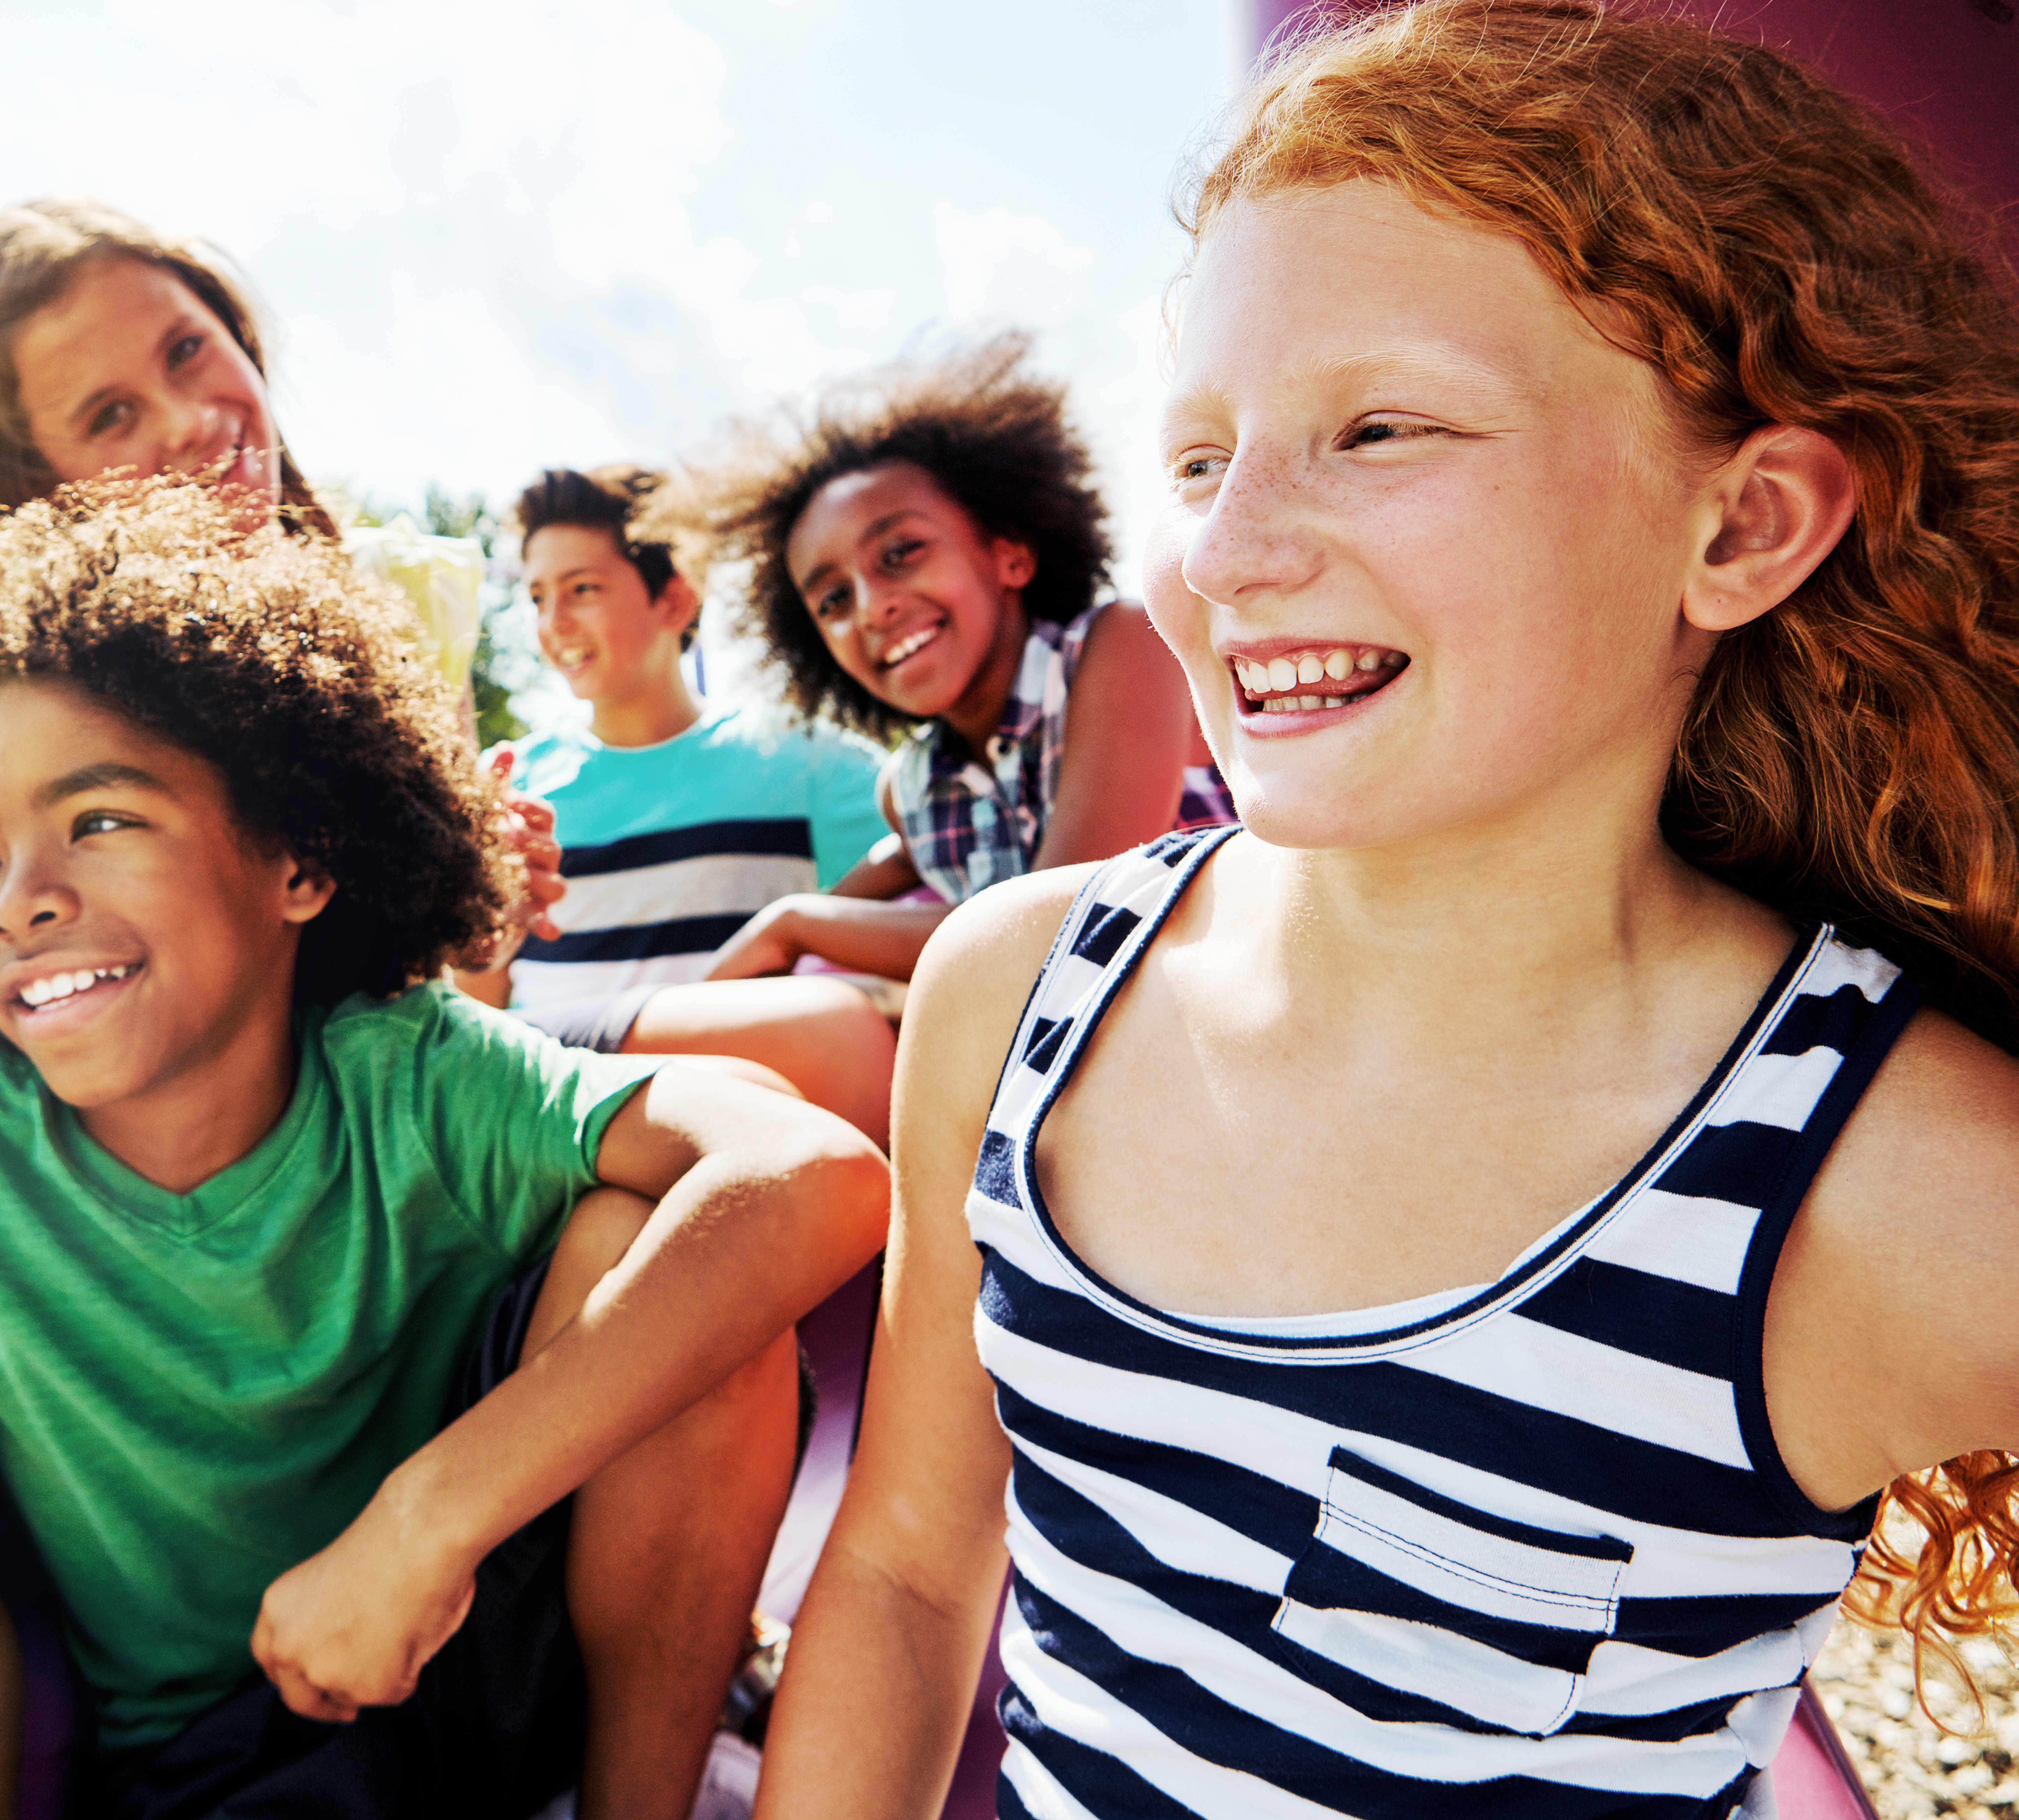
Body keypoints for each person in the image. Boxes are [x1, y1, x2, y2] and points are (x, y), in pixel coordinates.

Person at [754, 3, 2019, 1816]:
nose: (1225, 550)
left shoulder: (1890, 1181)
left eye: (1380, 427)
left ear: (1738, 528)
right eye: (1198, 458)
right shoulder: (1014, 984)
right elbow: (900, 1570)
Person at [0, 475, 889, 1820]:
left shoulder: (405, 1062)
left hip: (488, 1658)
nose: (24, 901)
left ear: (299, 863)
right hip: (209, 1763)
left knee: (647, 1242)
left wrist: (421, 1525)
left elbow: (806, 1172)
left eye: (100, 820)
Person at [0, 194, 564, 942]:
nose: (188, 421)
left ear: (237, 333)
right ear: (35, 489)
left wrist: (482, 896)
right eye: (111, 415)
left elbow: (462, 1002)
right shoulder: (37, 707)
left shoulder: (406, 597)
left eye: (185, 350)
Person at [678, 334, 1225, 987]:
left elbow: (1068, 923)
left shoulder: (1123, 647)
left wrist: (794, 924)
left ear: (1010, 554)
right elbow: (835, 917)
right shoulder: (913, 793)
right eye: (832, 599)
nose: (871, 606)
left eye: (901, 552)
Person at [455, 466, 899, 1145]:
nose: (554, 623)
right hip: (551, 1124)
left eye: (583, 589)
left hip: (745, 1124)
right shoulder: (511, 784)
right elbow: (470, 1012)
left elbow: (924, 893)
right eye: (538, 597)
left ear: (673, 601)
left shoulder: (806, 761)